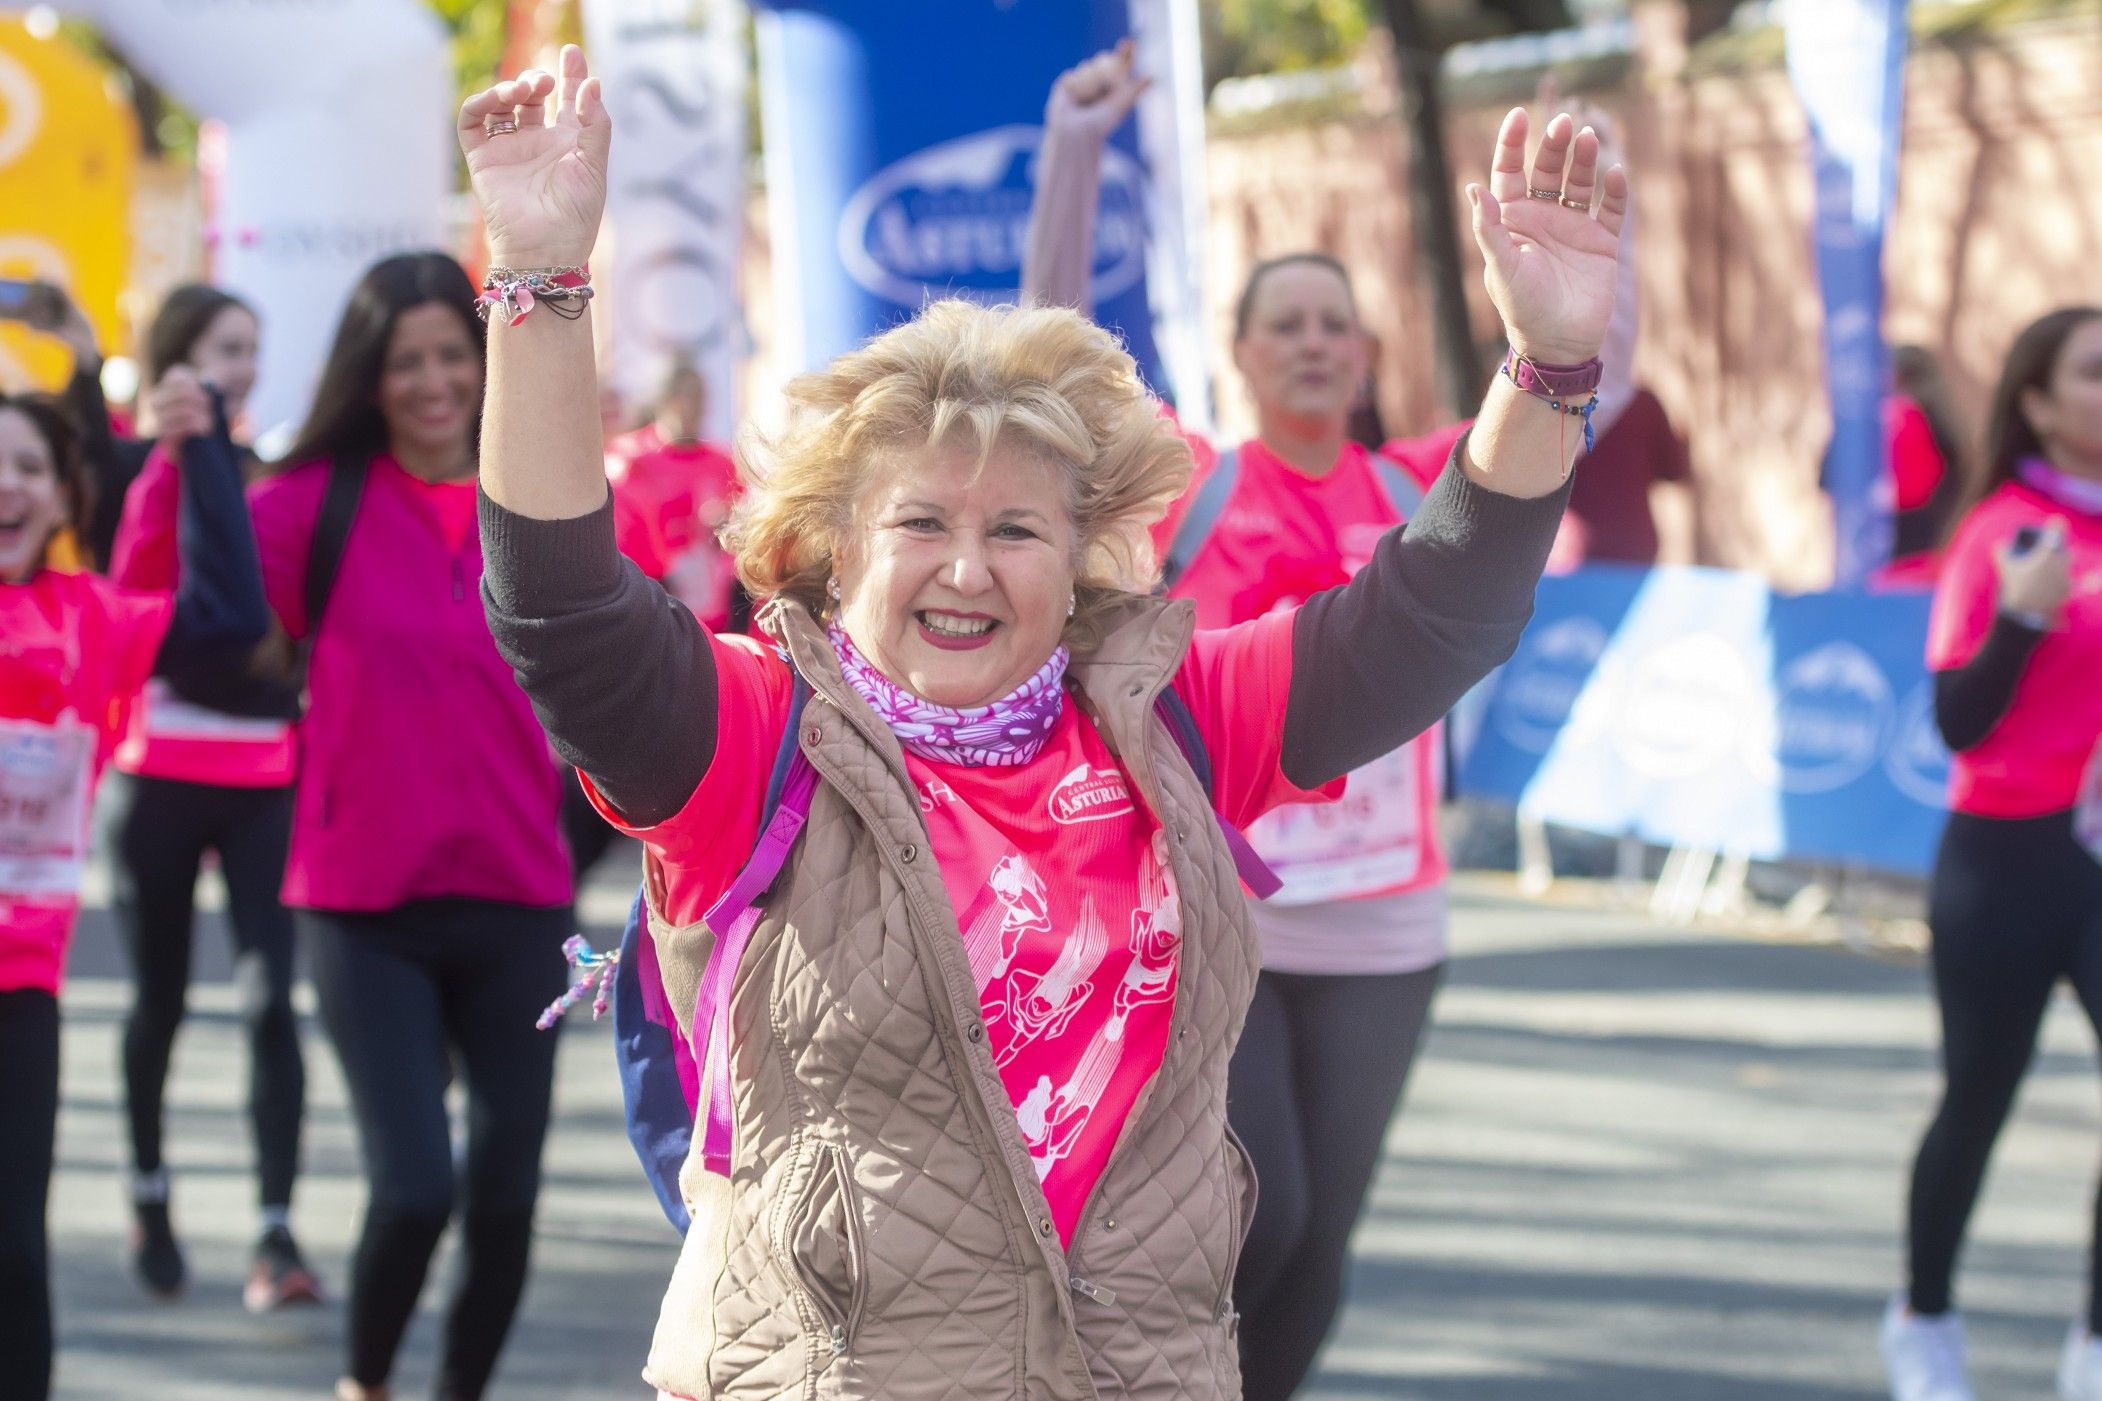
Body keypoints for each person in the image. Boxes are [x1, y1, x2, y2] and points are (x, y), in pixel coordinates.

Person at [461, 45, 1624, 1398]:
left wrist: (1545, 369)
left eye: (1015, 527)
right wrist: (539, 283)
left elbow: (1435, 617)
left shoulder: (1169, 718)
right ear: (835, 545)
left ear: (1078, 554)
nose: (968, 568)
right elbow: (559, 615)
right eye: (921, 523)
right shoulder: (752, 730)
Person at [131, 252, 576, 1401]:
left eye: (450, 356)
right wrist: (175, 462)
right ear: (366, 378)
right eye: (404, 361)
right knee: (416, 1188)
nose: (433, 382)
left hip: (521, 898)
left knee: (508, 1194)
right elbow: (173, 611)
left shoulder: (542, 496)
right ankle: (366, 1385)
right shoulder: (305, 505)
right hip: (360, 905)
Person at [0, 389, 270, 1401]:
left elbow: (235, 618)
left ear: (66, 494)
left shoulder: (88, 620)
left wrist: (200, 449)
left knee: (16, 1259)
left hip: (21, 988)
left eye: (27, 465)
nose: (6, 485)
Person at [1881, 307, 2102, 1401]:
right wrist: (2018, 622)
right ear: (2035, 402)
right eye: (2094, 374)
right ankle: (1921, 1323)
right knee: (1978, 1096)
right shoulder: (2002, 533)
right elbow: (1957, 726)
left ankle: (2093, 1345)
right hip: (2005, 860)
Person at [97, 284, 316, 1309]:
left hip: (265, 777)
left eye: (253, 348)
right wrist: (171, 465)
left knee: (274, 1001)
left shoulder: (269, 477)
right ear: (179, 361)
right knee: (161, 1001)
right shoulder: (159, 475)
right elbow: (131, 605)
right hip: (158, 784)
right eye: (226, 349)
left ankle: (276, 1233)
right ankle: (149, 1188)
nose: (242, 368)